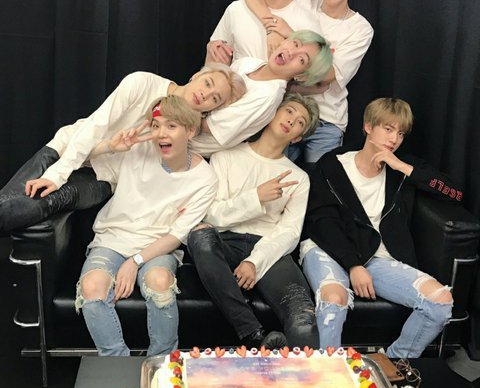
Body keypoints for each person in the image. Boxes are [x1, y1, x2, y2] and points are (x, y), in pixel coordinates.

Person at [0, 65, 244, 234]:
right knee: (8, 201)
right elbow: (95, 126)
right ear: (196, 75)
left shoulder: (186, 132)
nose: (205, 94)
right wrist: (56, 174)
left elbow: (233, 135)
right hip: (67, 150)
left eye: (215, 99)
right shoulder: (141, 83)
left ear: (211, 110)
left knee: (40, 203)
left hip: (102, 178)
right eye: (207, 83)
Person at [301, 98, 458, 358]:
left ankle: (391, 364)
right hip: (328, 248)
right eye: (388, 129)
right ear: (368, 126)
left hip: (378, 257)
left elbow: (454, 193)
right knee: (334, 300)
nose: (394, 139)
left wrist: (403, 168)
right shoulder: (333, 164)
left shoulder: (400, 167)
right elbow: (322, 221)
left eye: (401, 133)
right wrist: (353, 265)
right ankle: (329, 373)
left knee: (441, 301)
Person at [75, 95, 218, 356]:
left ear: (190, 131)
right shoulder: (136, 151)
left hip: (158, 247)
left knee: (159, 282)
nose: (162, 133)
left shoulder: (205, 177)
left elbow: (176, 235)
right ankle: (117, 363)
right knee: (92, 287)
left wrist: (135, 261)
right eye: (156, 125)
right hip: (113, 238)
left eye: (171, 126)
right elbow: (78, 156)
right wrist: (111, 146)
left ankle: (161, 363)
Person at [187, 94, 320, 350]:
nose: (291, 120)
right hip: (224, 242)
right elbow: (211, 214)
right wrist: (256, 197)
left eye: (300, 122)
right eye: (289, 111)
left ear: (297, 138)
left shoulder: (298, 177)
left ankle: (304, 374)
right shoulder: (225, 157)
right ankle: (252, 333)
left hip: (269, 248)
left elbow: (290, 232)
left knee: (303, 319)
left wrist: (254, 262)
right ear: (273, 113)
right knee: (200, 234)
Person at [240, 0, 374, 165]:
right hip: (285, 110)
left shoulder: (360, 29)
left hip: (326, 118)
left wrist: (289, 34)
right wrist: (271, 27)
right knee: (272, 171)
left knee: (320, 178)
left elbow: (327, 76)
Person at [190, 30, 332, 158]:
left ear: (301, 76)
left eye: (301, 60)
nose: (291, 53)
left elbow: (207, 126)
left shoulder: (267, 97)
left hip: (188, 145)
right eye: (295, 44)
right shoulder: (249, 63)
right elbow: (203, 90)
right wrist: (212, 61)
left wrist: (184, 98)